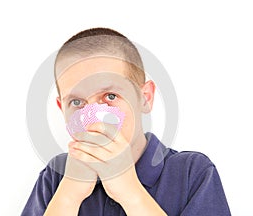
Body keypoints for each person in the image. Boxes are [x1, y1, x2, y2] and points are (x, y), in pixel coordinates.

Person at [21, 27, 231, 216]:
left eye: (110, 96)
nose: (93, 116)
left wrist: (129, 191)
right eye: (77, 102)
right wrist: (68, 196)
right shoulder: (55, 176)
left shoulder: (192, 172)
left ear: (145, 98)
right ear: (62, 109)